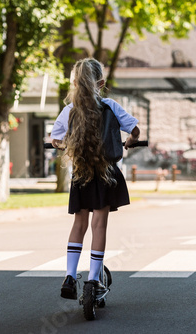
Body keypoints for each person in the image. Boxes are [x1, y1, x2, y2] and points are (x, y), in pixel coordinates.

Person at [50, 58, 140, 300]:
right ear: (101, 82)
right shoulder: (110, 105)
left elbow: (55, 139)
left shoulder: (69, 110)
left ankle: (69, 276)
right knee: (98, 225)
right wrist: (130, 141)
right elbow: (134, 129)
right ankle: (92, 279)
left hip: (81, 175)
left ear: (76, 83)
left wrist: (65, 144)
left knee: (78, 224)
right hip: (106, 174)